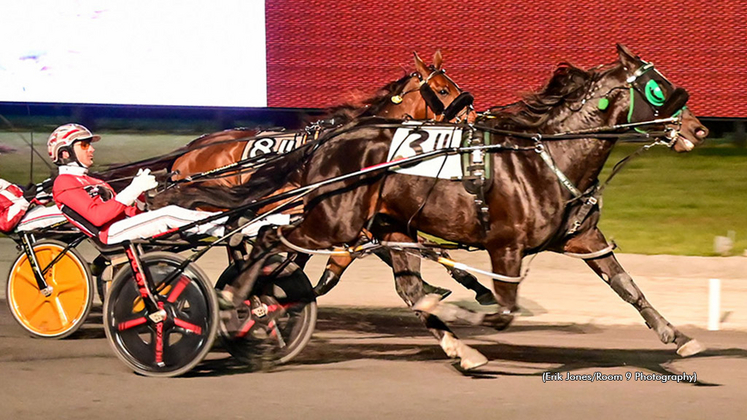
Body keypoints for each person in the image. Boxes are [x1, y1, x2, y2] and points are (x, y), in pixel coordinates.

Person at [48, 123, 225, 244]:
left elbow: (128, 211)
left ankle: (219, 222)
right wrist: (134, 188)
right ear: (65, 153)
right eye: (85, 146)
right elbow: (98, 217)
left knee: (169, 209)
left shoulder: (93, 180)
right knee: (167, 215)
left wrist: (142, 195)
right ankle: (223, 227)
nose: (92, 149)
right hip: (108, 234)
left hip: (121, 225)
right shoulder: (64, 183)